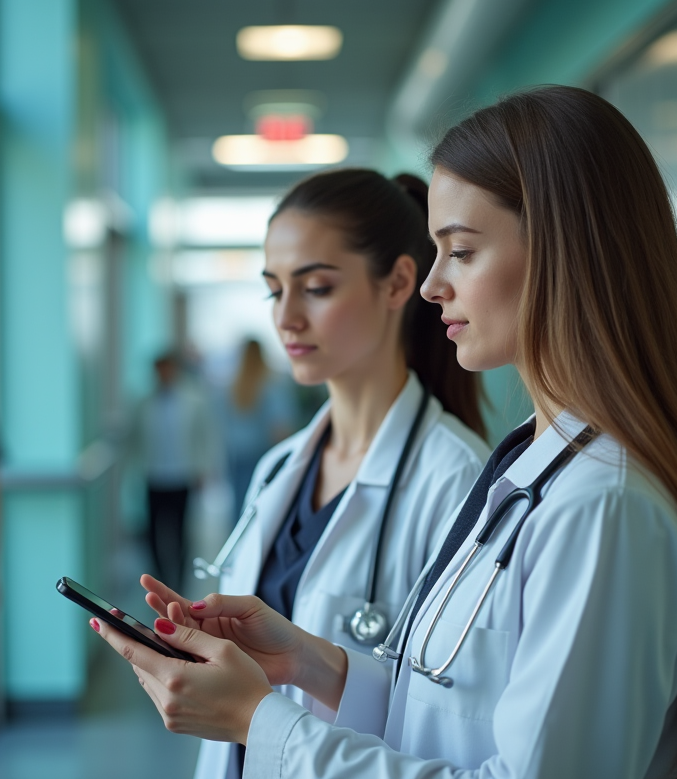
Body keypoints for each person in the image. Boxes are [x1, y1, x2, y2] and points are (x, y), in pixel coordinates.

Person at [92, 87, 677, 778]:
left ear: (564, 252)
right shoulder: (531, 468)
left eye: (462, 252)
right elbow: (449, 715)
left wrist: (261, 722)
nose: (431, 286)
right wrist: (309, 663)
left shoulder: (603, 508)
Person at [180, 168, 490, 779]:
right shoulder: (278, 469)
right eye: (274, 291)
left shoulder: (457, 481)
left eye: (316, 288)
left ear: (398, 282)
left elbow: (453, 722)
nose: (286, 318)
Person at [136, 350, 214, 585]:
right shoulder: (144, 403)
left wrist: (204, 468)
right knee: (153, 531)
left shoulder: (193, 401)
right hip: (154, 474)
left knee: (181, 531)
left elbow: (205, 437)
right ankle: (159, 577)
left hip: (182, 474)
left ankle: (178, 580)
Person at [221, 338, 296, 526]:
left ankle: (239, 542)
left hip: (236, 454)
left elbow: (223, 425)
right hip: (262, 453)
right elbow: (280, 426)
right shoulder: (271, 383)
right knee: (261, 506)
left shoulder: (232, 385)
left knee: (239, 505)